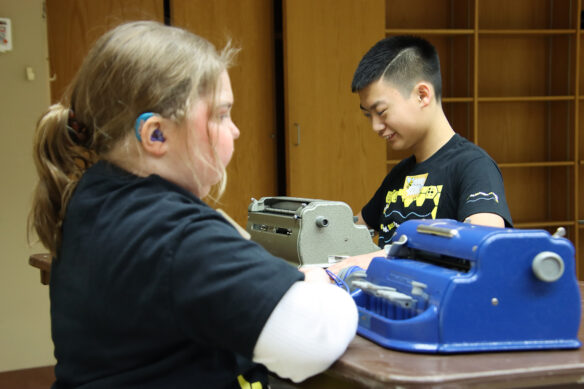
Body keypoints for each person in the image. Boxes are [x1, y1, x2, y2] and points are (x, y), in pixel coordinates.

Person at [29, 21, 357, 389]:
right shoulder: (173, 232)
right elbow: (313, 339)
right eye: (220, 114)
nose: (235, 130)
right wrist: (327, 283)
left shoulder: (92, 195)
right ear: (156, 134)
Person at [329, 35, 512, 274]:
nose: (375, 126)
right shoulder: (399, 175)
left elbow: (485, 245)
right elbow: (351, 232)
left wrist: (383, 257)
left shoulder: (474, 166)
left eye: (381, 112)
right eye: (368, 116)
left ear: (422, 95)